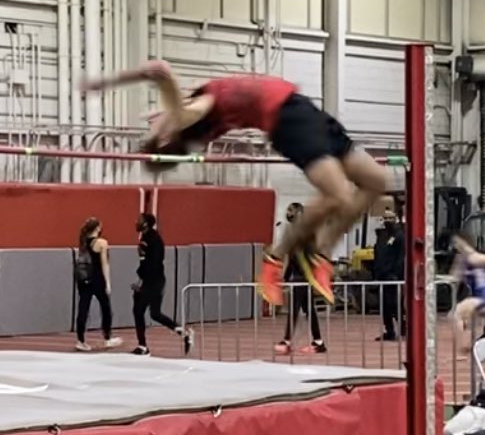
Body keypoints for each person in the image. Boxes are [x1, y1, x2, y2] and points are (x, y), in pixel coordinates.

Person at [79, 61, 390, 306]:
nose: (152, 124)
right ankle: (276, 257)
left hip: (303, 108)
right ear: (167, 136)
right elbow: (161, 74)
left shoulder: (193, 111)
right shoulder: (192, 112)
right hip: (288, 120)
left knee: (377, 180)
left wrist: (107, 84)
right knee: (339, 195)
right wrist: (115, 83)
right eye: (154, 131)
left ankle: (321, 252)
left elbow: (164, 98)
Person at [131, 213, 192, 356]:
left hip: (153, 281)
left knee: (139, 311)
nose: (136, 222)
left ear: (146, 223)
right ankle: (183, 332)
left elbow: (150, 263)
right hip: (154, 280)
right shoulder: (149, 238)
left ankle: (143, 346)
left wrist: (141, 280)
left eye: (139, 220)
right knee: (154, 313)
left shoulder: (150, 240)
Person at [274, 203, 325, 355]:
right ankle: (318, 341)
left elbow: (310, 256)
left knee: (295, 309)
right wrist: (286, 277)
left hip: (304, 278)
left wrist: (308, 275)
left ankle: (287, 340)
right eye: (288, 210)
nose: (288, 213)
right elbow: (291, 258)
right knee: (309, 310)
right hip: (298, 277)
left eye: (292, 211)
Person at [74, 217, 121, 352]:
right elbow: (104, 263)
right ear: (97, 228)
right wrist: (108, 282)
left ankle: (80, 340)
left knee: (83, 308)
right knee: (105, 308)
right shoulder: (101, 243)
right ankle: (107, 337)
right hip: (97, 279)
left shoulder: (82, 242)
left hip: (84, 279)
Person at [372, 205, 405, 342]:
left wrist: (396, 273)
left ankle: (404, 328)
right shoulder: (381, 235)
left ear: (396, 218)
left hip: (393, 276)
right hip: (381, 276)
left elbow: (401, 256)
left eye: (390, 218)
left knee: (394, 304)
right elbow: (378, 254)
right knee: (384, 306)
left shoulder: (399, 235)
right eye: (385, 218)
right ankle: (389, 330)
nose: (387, 220)